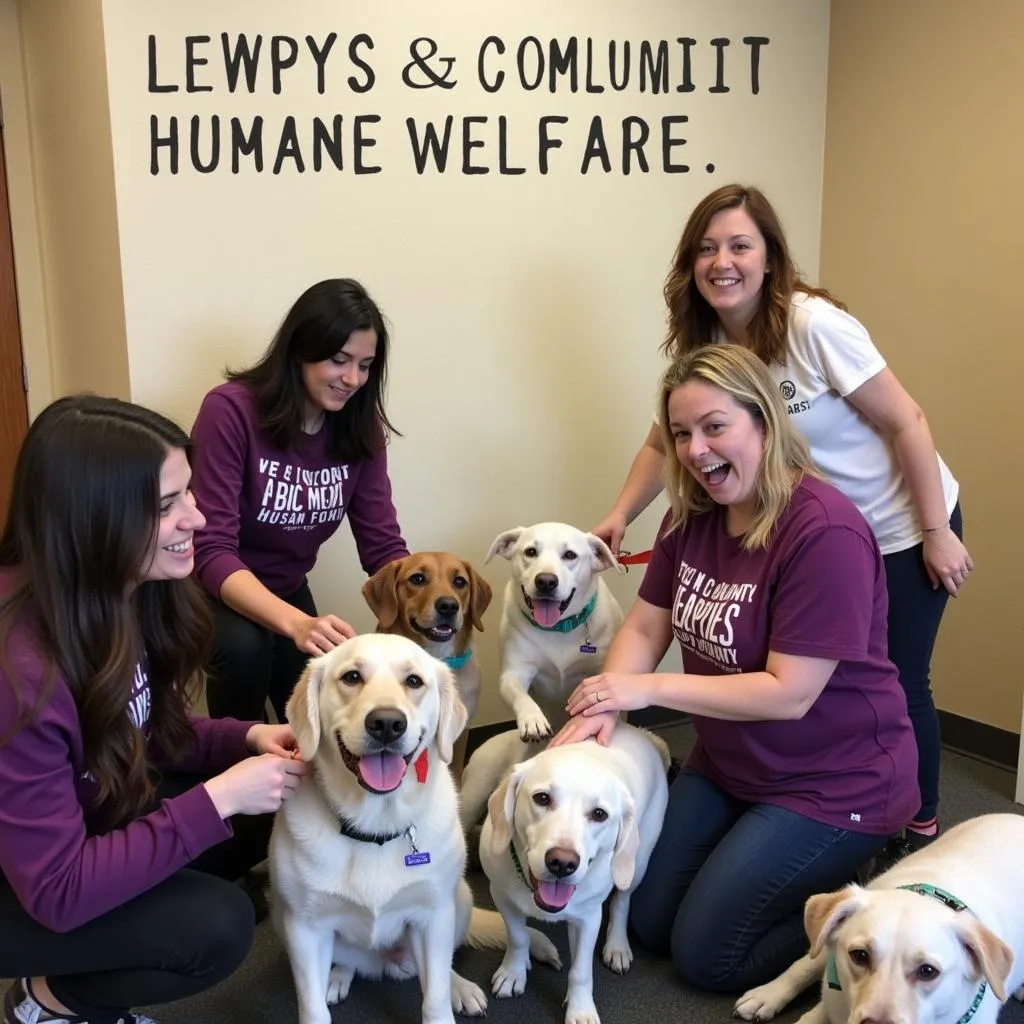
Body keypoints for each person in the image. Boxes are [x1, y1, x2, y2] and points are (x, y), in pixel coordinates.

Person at [593, 184, 970, 859]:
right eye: (706, 249)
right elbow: (664, 442)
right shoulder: (706, 338)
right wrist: (621, 514)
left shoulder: (811, 325)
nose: (722, 261)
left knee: (897, 681)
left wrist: (938, 531)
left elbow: (906, 420)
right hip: (792, 527)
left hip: (896, 525)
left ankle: (917, 827)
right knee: (807, 683)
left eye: (740, 245)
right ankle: (786, 814)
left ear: (771, 258)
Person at [553, 344, 919, 994]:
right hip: (729, 766)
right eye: (682, 434)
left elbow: (790, 693)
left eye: (714, 426)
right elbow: (644, 624)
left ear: (764, 423)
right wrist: (604, 705)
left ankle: (864, 901)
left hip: (834, 783)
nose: (695, 450)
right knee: (641, 910)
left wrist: (640, 687)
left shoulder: (824, 530)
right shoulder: (688, 516)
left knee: (707, 957)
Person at [0, 395, 309, 1024]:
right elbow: (56, 890)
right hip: (28, 883)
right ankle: (48, 1002)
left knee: (271, 806)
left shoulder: (121, 588)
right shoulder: (19, 672)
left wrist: (247, 738)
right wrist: (219, 797)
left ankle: (91, 957)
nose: (198, 518)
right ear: (96, 521)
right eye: (168, 506)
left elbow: (148, 727)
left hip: (61, 825)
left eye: (189, 492)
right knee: (215, 929)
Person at [190, 278, 409, 724]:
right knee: (245, 651)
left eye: (365, 365)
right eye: (339, 360)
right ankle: (239, 777)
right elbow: (210, 550)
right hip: (216, 591)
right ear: (299, 350)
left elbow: (383, 547)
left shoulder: (359, 428)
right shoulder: (230, 411)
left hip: (288, 587)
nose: (352, 379)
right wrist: (296, 624)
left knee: (322, 699)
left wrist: (422, 615)